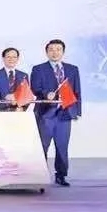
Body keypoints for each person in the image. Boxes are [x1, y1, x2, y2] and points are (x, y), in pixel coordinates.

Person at [30, 39, 81, 187]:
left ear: (63, 52)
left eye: (58, 49)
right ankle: (40, 175)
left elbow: (77, 91)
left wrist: (77, 111)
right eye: (51, 50)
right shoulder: (39, 69)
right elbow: (35, 87)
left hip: (65, 114)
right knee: (43, 146)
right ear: (47, 52)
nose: (55, 52)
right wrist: (46, 94)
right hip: (46, 114)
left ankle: (61, 175)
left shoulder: (72, 69)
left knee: (62, 147)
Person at [0, 47, 29, 111]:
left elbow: (26, 94)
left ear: (18, 59)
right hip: (0, 110)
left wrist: (22, 107)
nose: (11, 59)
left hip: (18, 110)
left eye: (14, 57)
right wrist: (6, 96)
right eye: (8, 57)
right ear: (3, 58)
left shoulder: (24, 75)